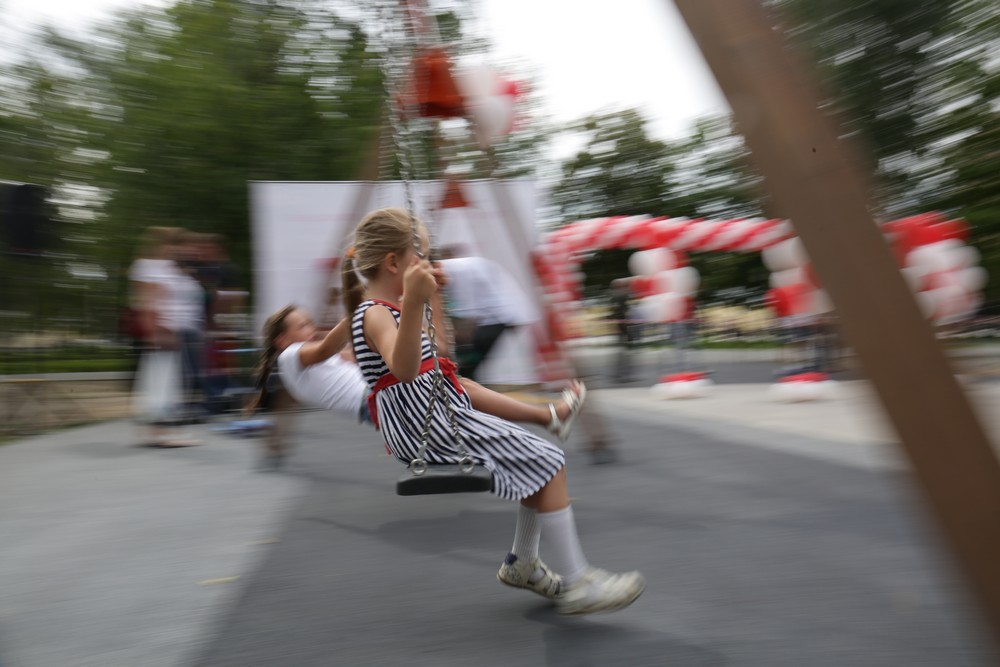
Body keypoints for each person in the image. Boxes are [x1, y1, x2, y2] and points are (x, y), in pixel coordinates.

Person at [342, 207, 645, 616]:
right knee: (550, 463)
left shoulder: (393, 310)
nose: (429, 265)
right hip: (423, 427)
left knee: (538, 464)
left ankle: (524, 563)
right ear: (394, 262)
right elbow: (404, 367)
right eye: (423, 257)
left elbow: (441, 364)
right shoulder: (375, 312)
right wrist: (414, 300)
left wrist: (428, 297)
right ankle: (577, 582)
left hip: (436, 413)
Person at [246, 305, 588, 469]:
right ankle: (547, 418)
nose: (310, 327)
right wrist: (361, 309)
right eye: (302, 325)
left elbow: (356, 353)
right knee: (455, 388)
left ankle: (545, 420)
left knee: (453, 386)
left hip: (379, 402)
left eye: (309, 321)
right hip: (379, 403)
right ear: (282, 339)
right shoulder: (291, 357)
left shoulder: (309, 361)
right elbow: (326, 347)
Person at [128, 227, 199, 447]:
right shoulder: (150, 267)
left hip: (168, 330)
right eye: (173, 244)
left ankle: (156, 433)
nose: (178, 250)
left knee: (161, 380)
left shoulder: (167, 268)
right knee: (161, 380)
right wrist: (154, 332)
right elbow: (147, 302)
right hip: (161, 331)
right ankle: (158, 434)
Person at [437, 247, 528, 381]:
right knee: (470, 362)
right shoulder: (466, 264)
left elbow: (467, 303)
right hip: (503, 314)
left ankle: (469, 388)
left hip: (494, 318)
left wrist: (462, 330)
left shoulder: (455, 269)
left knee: (466, 364)